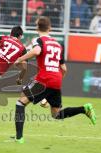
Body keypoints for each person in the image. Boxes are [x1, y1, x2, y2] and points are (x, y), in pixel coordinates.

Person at [12, 16, 96, 144]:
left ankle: (19, 137)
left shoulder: (38, 40)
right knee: (56, 114)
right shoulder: (58, 44)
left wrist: (19, 59)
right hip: (56, 80)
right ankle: (84, 109)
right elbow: (64, 68)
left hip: (44, 79)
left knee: (20, 103)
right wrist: (54, 83)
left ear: (37, 28)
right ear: (50, 28)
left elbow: (36, 51)